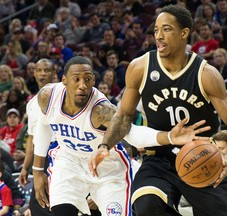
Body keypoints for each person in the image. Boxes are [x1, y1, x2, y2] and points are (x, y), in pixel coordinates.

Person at [90, 4, 227, 216]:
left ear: (184, 33)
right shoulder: (140, 68)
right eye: (156, 30)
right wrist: (104, 145)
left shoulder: (206, 74)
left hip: (200, 156)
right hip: (158, 157)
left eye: (166, 29)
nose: (159, 36)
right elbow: (124, 115)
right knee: (146, 205)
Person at [32, 56, 211, 216]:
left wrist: (170, 137)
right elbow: (43, 125)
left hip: (107, 169)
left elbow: (132, 133)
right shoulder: (47, 97)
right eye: (76, 79)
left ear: (94, 80)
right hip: (69, 162)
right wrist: (37, 171)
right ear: (64, 80)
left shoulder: (101, 111)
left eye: (87, 79)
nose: (82, 85)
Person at [18, 58, 57, 216]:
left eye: (47, 70)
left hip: (59, 152)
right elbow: (32, 140)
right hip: (41, 157)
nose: (42, 74)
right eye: (39, 70)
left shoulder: (62, 93)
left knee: (57, 203)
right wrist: (25, 167)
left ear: (54, 73)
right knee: (38, 205)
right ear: (34, 73)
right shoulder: (31, 103)